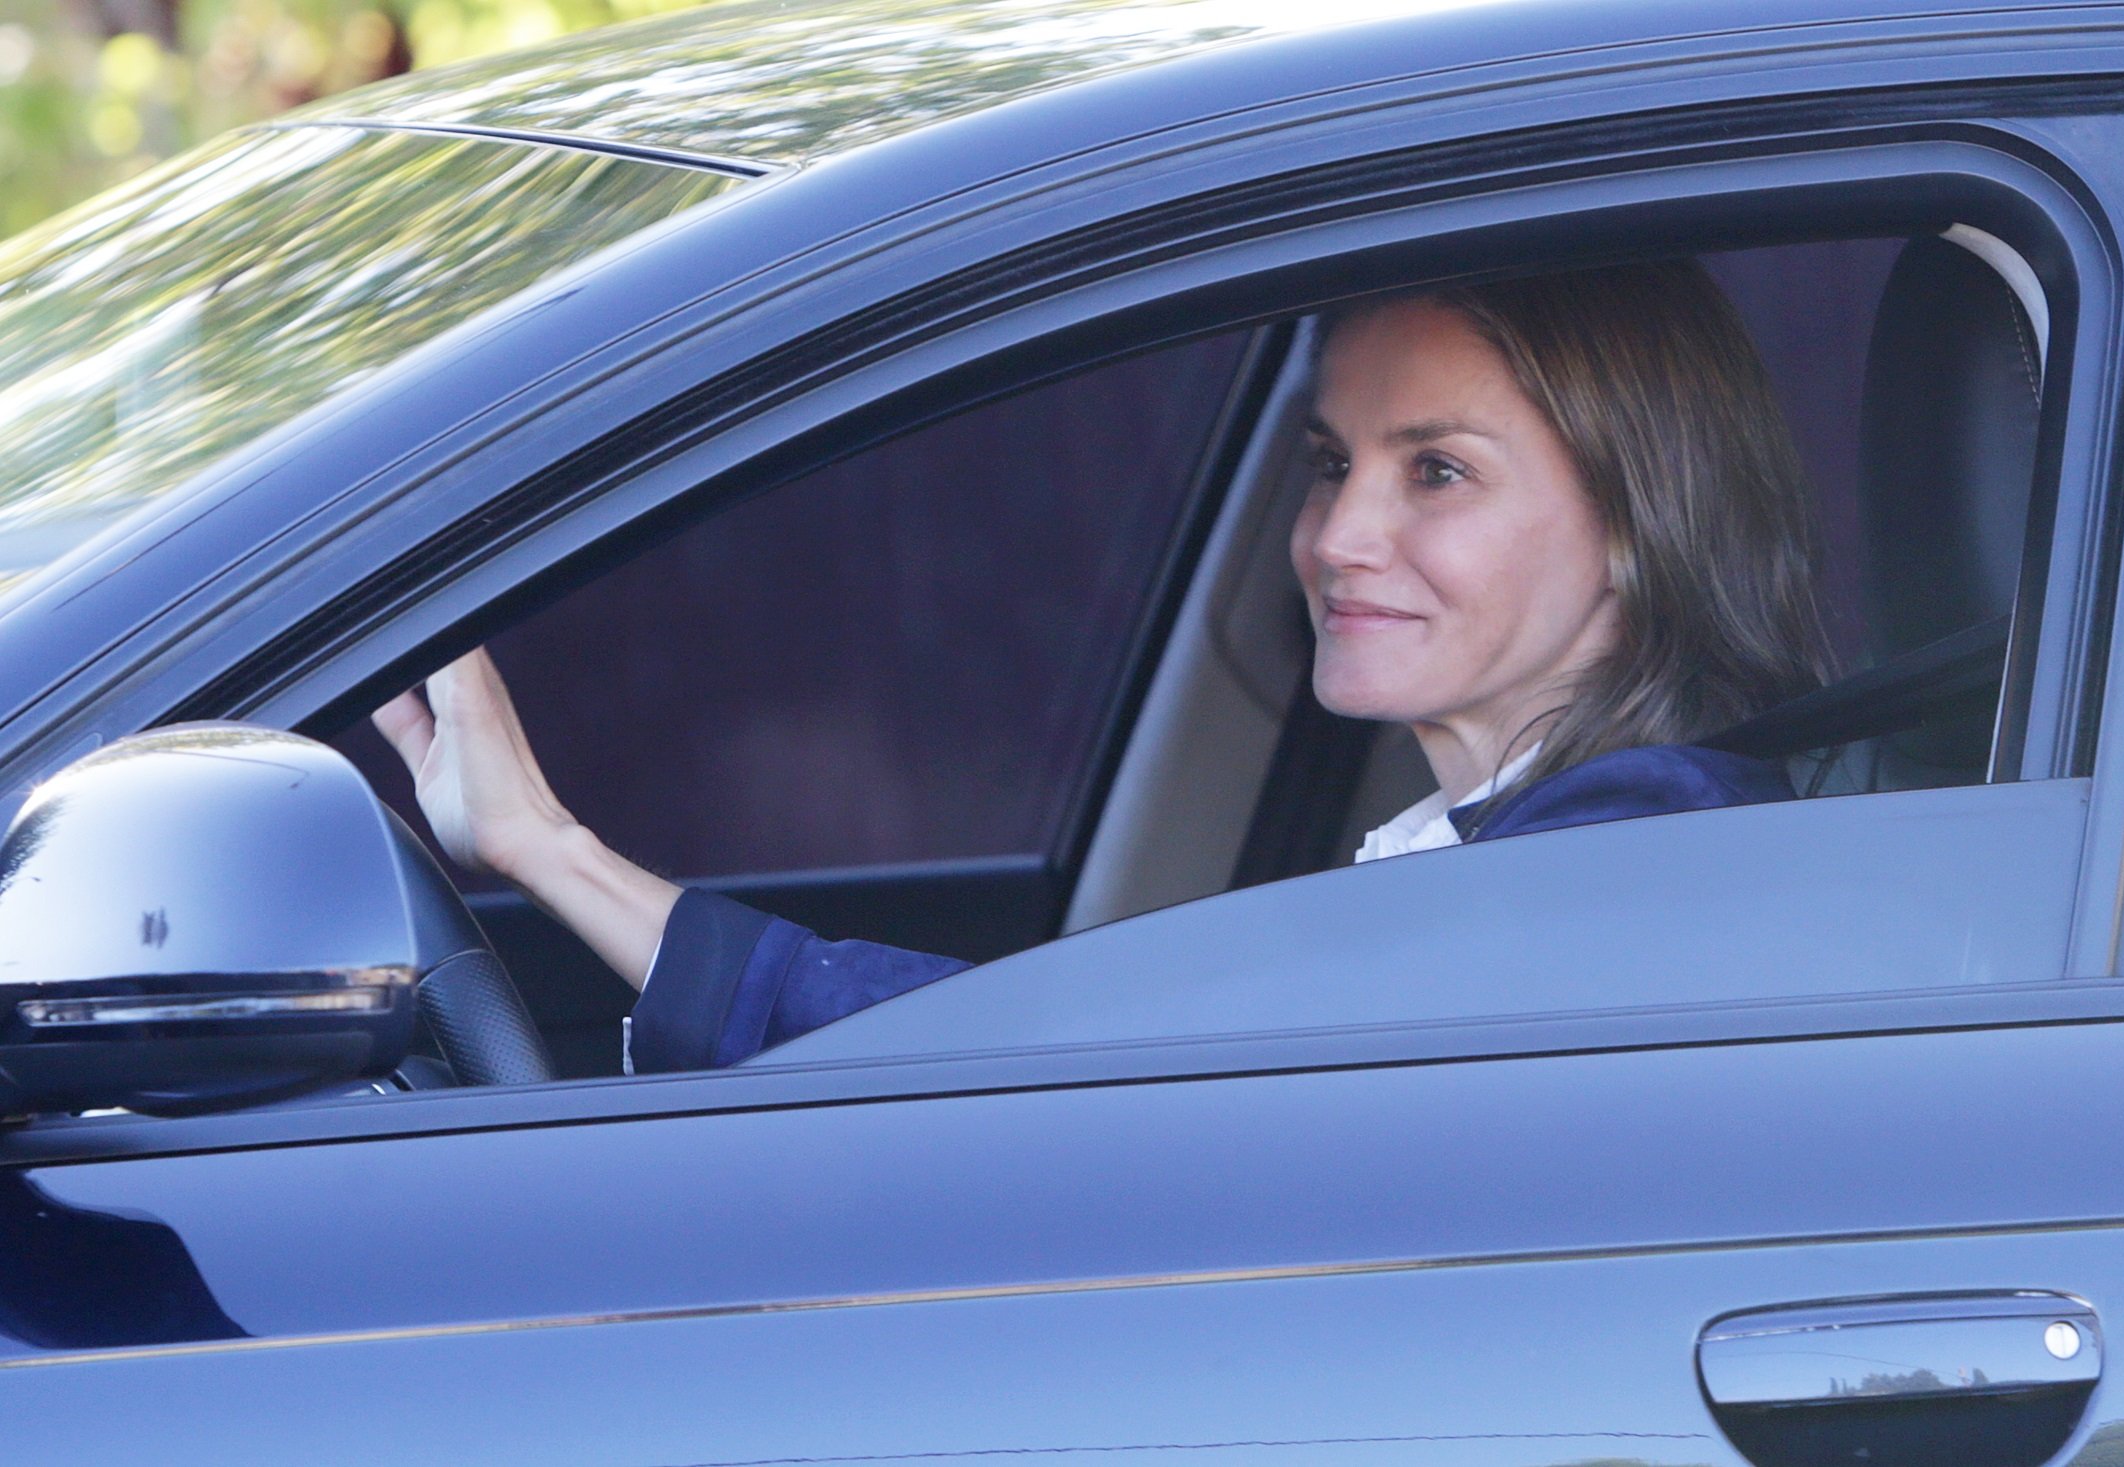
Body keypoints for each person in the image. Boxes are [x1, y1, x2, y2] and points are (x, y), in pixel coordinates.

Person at [373, 260, 1831, 1074]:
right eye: (1330, 465)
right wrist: (538, 846)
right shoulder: (1527, 855)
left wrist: (550, 850)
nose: (1337, 537)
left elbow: (1068, 1078)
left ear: (1643, 522)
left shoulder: (1620, 884)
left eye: (1437, 472)